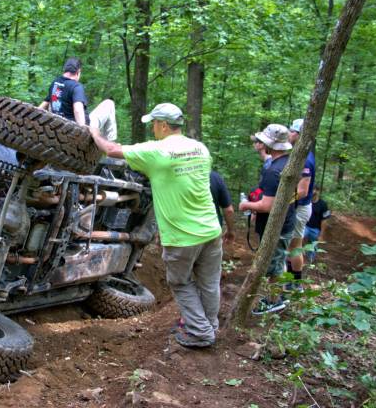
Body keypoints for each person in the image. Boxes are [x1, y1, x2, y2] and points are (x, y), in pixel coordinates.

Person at [89, 103, 222, 348]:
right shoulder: (200, 149)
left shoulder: (157, 152)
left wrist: (94, 130)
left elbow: (110, 149)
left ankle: (200, 332)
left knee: (180, 283)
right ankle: (210, 325)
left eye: (153, 124)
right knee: (209, 283)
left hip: (182, 235)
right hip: (211, 229)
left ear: (162, 125)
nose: (152, 128)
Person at [239, 124, 296, 315]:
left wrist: (247, 205)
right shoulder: (286, 163)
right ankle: (274, 297)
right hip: (284, 221)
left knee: (275, 265)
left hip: (278, 225)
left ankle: (274, 300)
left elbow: (267, 206)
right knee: (276, 262)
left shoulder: (274, 170)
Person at [38, 57, 118, 140]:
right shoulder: (76, 87)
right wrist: (82, 131)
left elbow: (44, 103)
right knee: (109, 103)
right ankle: (110, 143)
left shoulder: (55, 83)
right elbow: (78, 110)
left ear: (64, 70)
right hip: (76, 128)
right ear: (78, 72)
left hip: (58, 126)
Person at [285, 118, 315, 291]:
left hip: (300, 207)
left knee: (295, 246)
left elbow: (302, 190)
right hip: (297, 206)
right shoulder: (299, 154)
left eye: (291, 131)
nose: (289, 134)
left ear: (297, 134)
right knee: (292, 245)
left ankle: (295, 284)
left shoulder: (306, 159)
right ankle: (292, 280)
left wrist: (282, 202)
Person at [304, 186, 331, 263]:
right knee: (298, 238)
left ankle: (310, 262)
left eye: (315, 190)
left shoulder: (323, 204)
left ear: (318, 191)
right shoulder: (306, 201)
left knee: (313, 245)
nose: (313, 192)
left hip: (315, 229)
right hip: (305, 226)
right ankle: (298, 256)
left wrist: (321, 235)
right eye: (312, 189)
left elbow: (325, 220)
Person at [210, 171, 235, 246]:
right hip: (213, 232)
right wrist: (230, 231)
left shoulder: (176, 176)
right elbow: (229, 210)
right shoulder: (215, 177)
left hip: (185, 235)